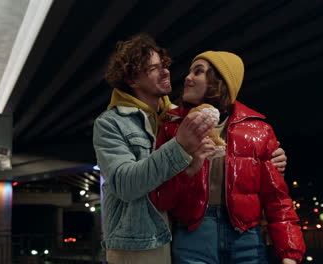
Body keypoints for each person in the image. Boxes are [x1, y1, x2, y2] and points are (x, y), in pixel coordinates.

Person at [93, 33, 288, 264]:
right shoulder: (111, 123)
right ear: (133, 80)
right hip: (138, 243)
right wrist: (180, 146)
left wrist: (270, 158)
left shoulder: (177, 118)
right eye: (153, 68)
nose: (166, 71)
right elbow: (125, 185)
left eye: (163, 65)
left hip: (177, 234)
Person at [149, 51, 305, 264]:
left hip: (246, 238)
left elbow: (277, 200)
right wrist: (188, 171)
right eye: (189, 71)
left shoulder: (260, 131)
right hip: (193, 236)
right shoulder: (172, 129)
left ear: (220, 82)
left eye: (198, 72)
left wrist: (290, 254)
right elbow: (160, 198)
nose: (187, 77)